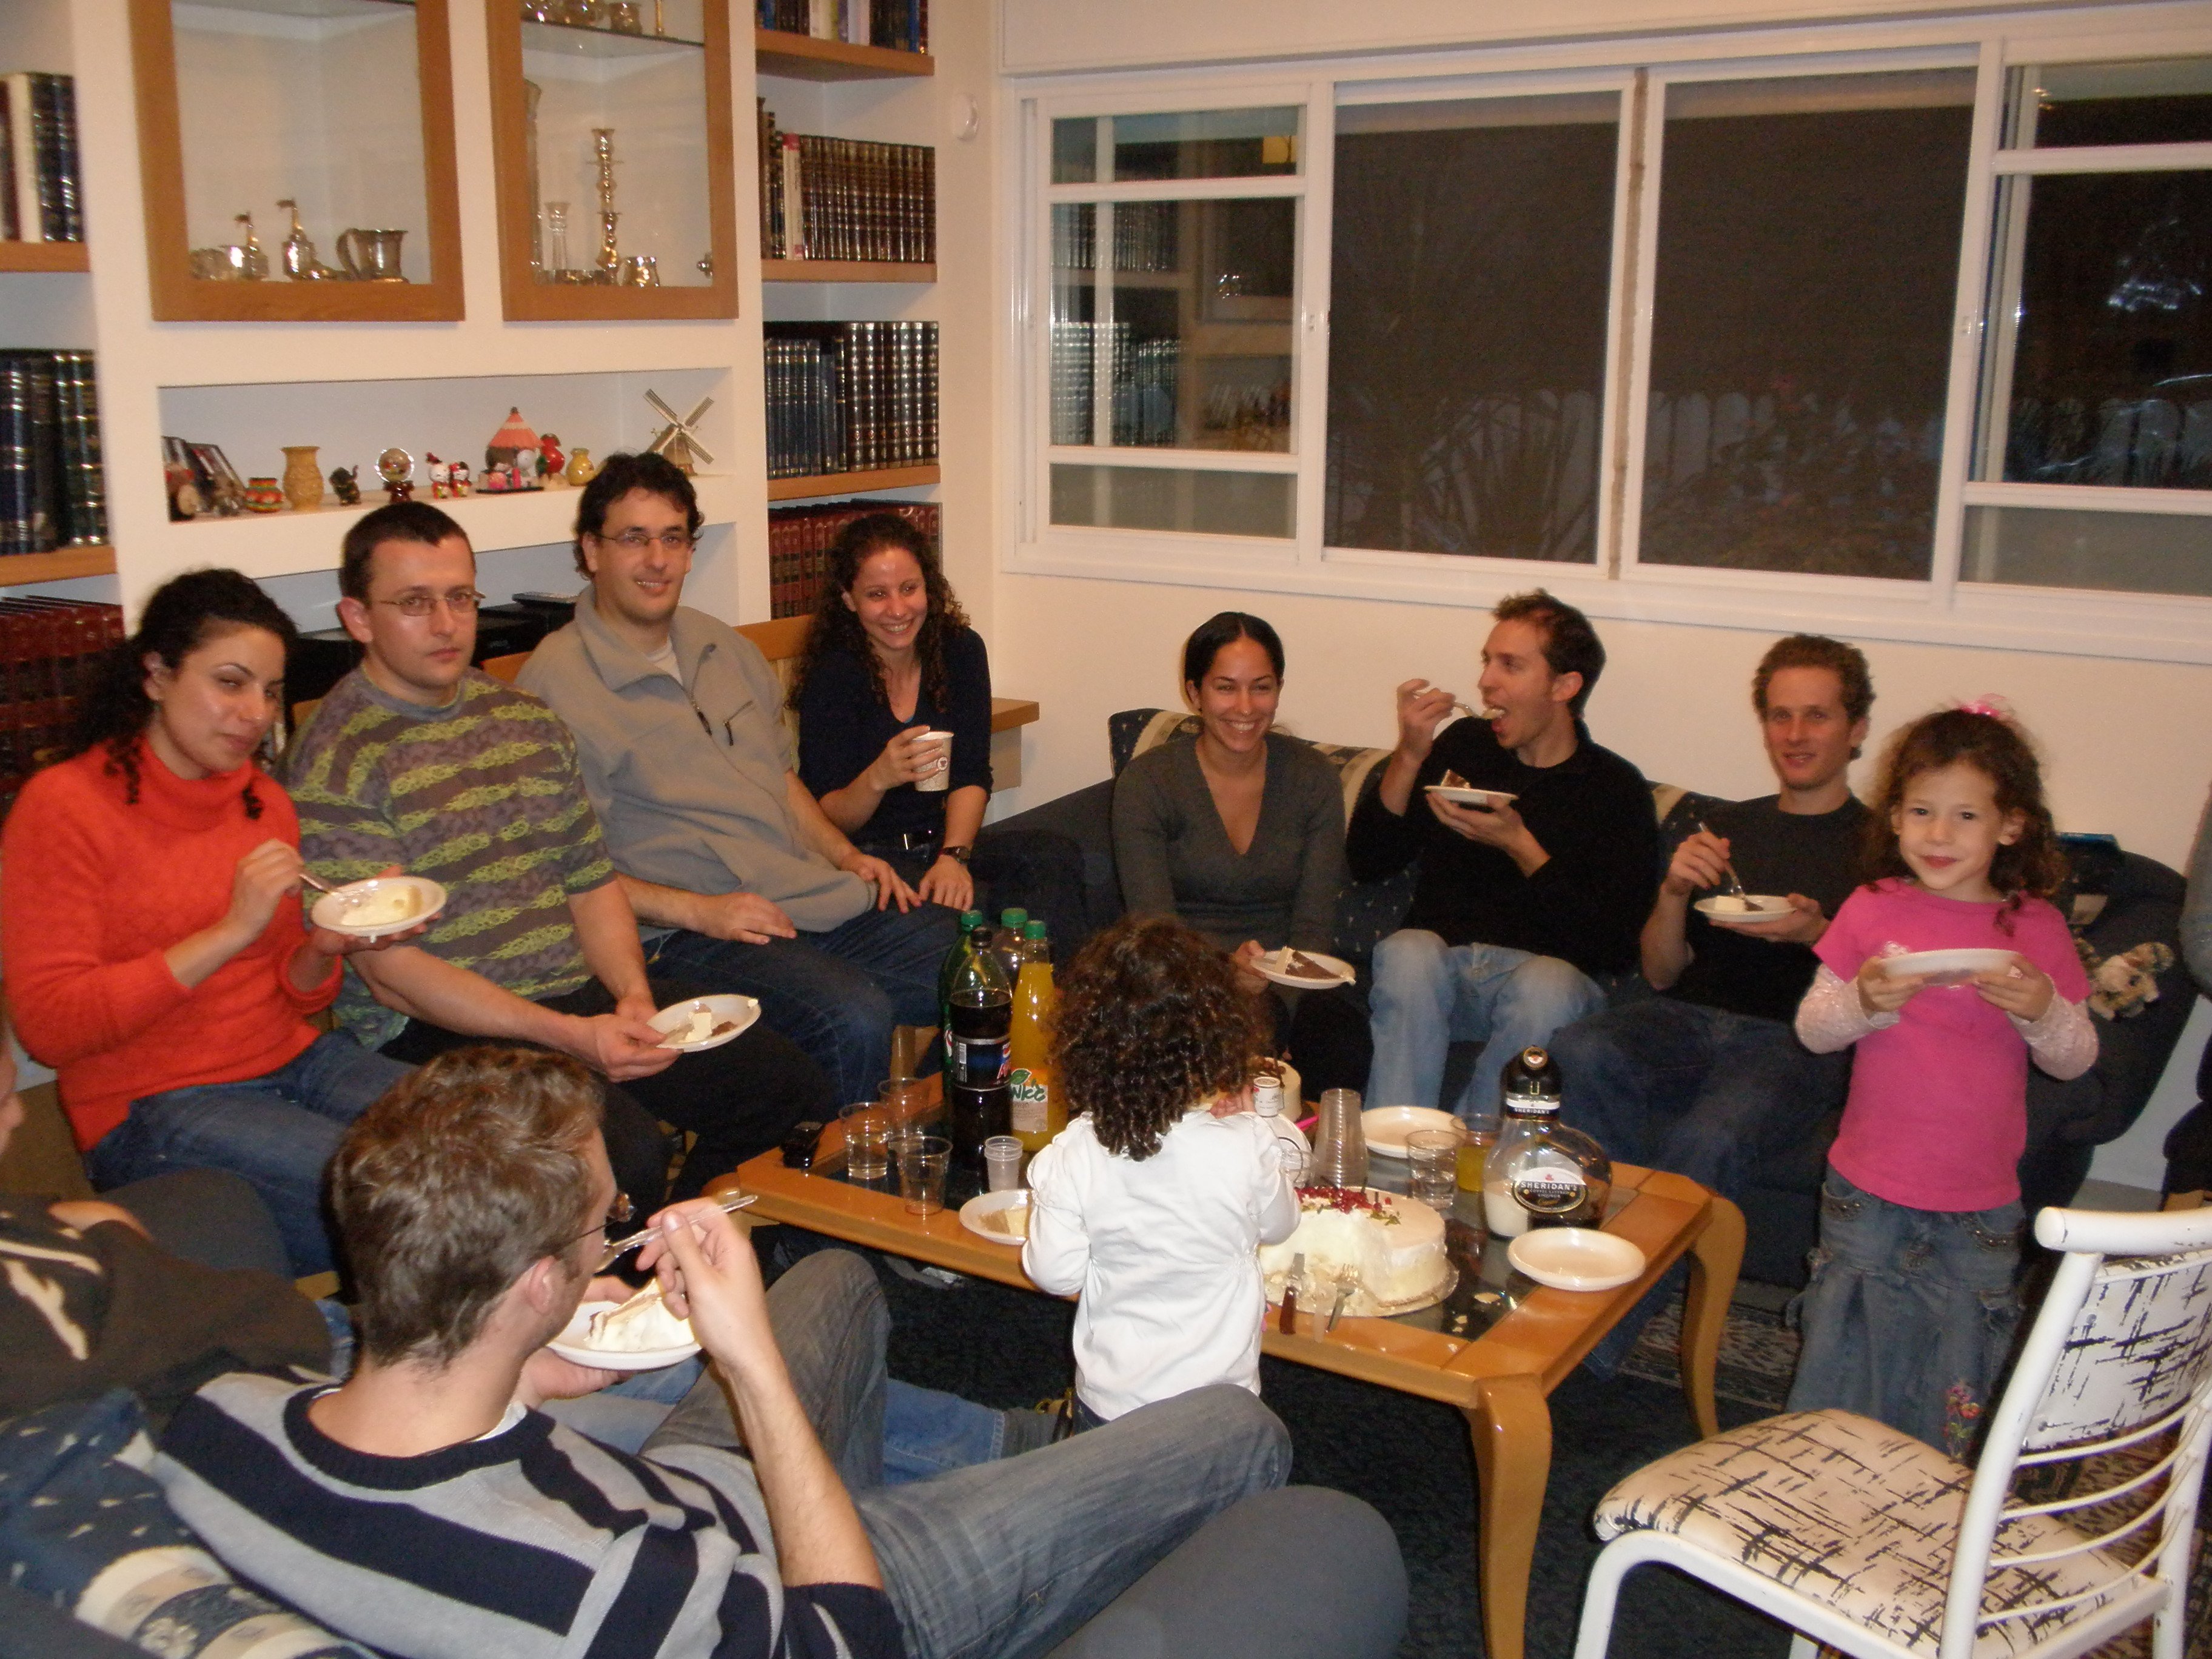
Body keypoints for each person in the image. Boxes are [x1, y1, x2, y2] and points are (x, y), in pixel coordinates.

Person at [152, 1045, 1295, 1659]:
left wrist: (528, 1367)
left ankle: (989, 1468)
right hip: (814, 1587)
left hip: (675, 1498)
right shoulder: (600, 1589)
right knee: (1233, 1428)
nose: (615, 1242)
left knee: (835, 1283)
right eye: (604, 1227)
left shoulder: (218, 1418)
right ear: (537, 1284)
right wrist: (747, 1368)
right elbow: (842, 1633)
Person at [283, 501, 827, 1212]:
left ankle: (680, 1249)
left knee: (788, 1089)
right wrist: (570, 1036)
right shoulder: (335, 760)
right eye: (415, 603)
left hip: (575, 996)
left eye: (460, 598)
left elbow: (590, 882)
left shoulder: (525, 721)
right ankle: (627, 1268)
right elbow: (393, 980)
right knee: (622, 1155)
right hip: (438, 1032)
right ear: (358, 618)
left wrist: (634, 997)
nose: (446, 624)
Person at [1, 569, 421, 1275]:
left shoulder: (262, 802)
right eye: (230, 683)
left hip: (294, 1061)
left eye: (271, 691)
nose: (255, 713)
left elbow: (295, 992)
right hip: (151, 1106)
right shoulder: (64, 807)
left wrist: (324, 946)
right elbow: (50, 1028)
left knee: (491, 1137)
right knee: (410, 1198)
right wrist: (228, 931)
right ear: (157, 675)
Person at [519, 454, 957, 1105]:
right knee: (852, 1016)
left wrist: (845, 855)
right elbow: (565, 871)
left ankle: (925, 1138)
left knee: (973, 961)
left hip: (795, 890)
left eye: (673, 538)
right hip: (680, 932)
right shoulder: (554, 689)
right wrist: (703, 911)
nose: (657, 560)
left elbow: (780, 778)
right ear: (591, 551)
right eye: (634, 538)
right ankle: (824, 1164)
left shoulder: (719, 646)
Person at [1787, 703, 2094, 1454]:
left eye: (1966, 815)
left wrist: (2042, 1010)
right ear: (1894, 818)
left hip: (1980, 1198)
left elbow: (2075, 1058)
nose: (1939, 834)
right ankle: (1826, 1475)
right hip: (1866, 1184)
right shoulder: (1872, 908)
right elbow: (1815, 1030)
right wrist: (1865, 1002)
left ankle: (1935, 1485)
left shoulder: (2036, 928)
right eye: (1921, 811)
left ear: (2010, 826)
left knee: (1956, 1364)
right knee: (1845, 1349)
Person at [1555, 635, 1874, 1202]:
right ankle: (1599, 1220)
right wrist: (1674, 891)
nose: (1795, 735)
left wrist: (1821, 935)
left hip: (1792, 1038)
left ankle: (1644, 1257)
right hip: (1686, 1019)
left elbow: (1885, 987)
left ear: (1857, 730)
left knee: (1710, 1135)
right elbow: (1661, 975)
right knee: (1578, 1047)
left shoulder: (1881, 848)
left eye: (1817, 716)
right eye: (1780, 716)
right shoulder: (1723, 827)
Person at [1348, 589, 1658, 1119]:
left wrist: (1521, 847)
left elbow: (1614, 946)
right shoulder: (1465, 746)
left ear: (1564, 686)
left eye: (1510, 665)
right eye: (1487, 661)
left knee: (1548, 983)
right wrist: (1411, 754)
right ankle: (1394, 1146)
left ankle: (1477, 1148)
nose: (1486, 681)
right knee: (1407, 949)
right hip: (1440, 975)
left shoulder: (1614, 789)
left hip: (1541, 991)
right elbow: (1369, 860)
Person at [1024, 916, 1300, 1426]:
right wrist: (1256, 1128)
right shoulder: (1245, 1143)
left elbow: (1053, 1272)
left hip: (1111, 1402)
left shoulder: (1076, 1151)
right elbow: (1281, 1225)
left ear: (1085, 1044)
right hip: (1222, 1407)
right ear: (1219, 1037)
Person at [1111, 612, 1371, 1094]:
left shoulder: (1313, 777)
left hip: (1290, 980)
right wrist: (1227, 980)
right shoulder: (1148, 782)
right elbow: (1154, 929)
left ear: (1280, 689)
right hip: (1181, 980)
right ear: (1195, 692)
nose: (1246, 707)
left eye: (1262, 687)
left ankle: (1326, 1145)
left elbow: (1314, 924)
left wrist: (1278, 1010)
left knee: (1340, 1036)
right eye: (1226, 688)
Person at [792, 511, 991, 910]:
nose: (898, 610)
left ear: (928, 588)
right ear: (849, 600)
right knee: (957, 915)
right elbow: (828, 818)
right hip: (870, 857)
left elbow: (971, 774)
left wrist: (953, 858)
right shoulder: (833, 674)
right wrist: (879, 777)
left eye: (909, 588)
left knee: (1053, 859)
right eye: (877, 594)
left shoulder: (961, 650)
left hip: (945, 845)